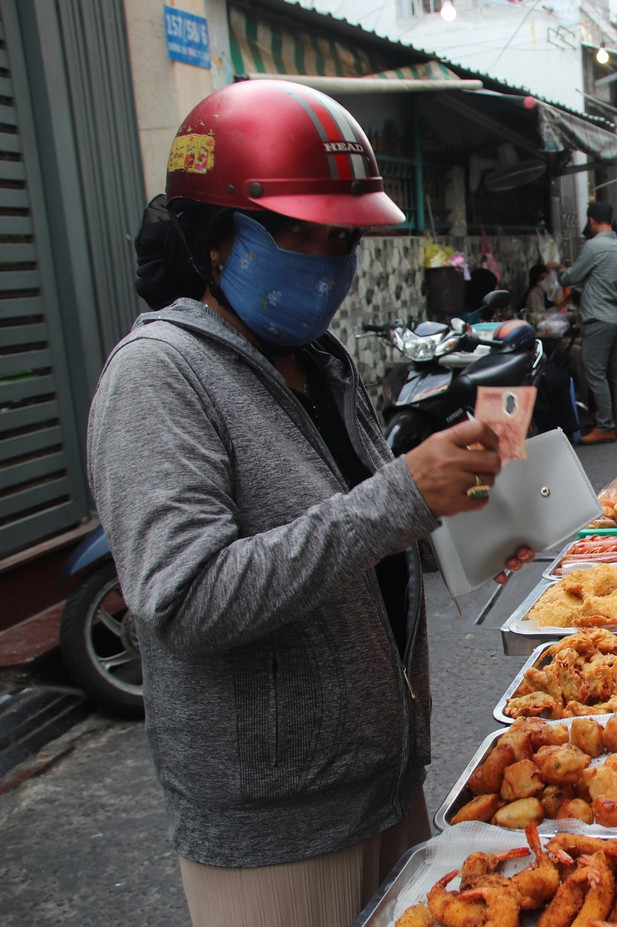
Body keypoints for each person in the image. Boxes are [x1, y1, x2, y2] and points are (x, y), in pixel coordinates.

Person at [88, 80, 530, 927]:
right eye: (305, 235)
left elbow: (360, 529)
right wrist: (399, 497)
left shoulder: (319, 361)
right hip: (276, 830)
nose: (331, 263)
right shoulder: (159, 377)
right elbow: (184, 598)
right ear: (217, 238)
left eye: (345, 239)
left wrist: (466, 525)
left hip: (386, 784)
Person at [553, 201, 617, 444]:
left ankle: (605, 425)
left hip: (598, 318)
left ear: (591, 220)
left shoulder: (593, 246)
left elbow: (571, 277)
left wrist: (559, 271)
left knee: (596, 373)